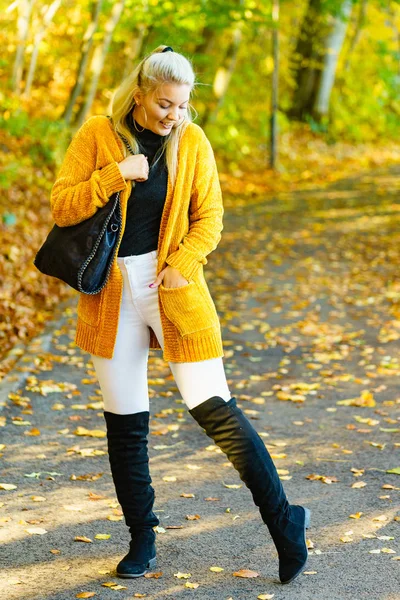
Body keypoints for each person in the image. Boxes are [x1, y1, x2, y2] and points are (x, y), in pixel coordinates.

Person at [49, 45, 310, 585]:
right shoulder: (99, 134)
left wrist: (183, 264)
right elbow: (62, 205)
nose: (174, 116)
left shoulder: (192, 141)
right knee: (126, 423)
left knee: (215, 410)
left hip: (171, 286)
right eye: (166, 105)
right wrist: (115, 174)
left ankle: (286, 523)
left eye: (183, 106)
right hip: (111, 293)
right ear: (140, 94)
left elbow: (209, 217)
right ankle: (142, 538)